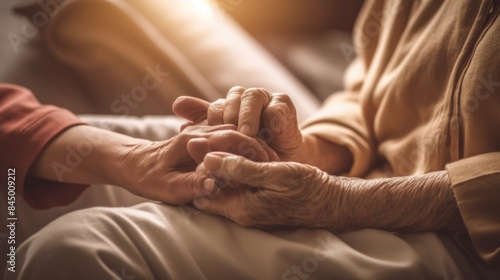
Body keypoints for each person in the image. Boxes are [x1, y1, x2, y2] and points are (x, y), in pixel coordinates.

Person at [3, 0, 500, 279]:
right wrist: (317, 150)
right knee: (14, 201)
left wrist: (343, 201)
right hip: (363, 174)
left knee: (75, 253)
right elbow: (370, 81)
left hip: (466, 239)